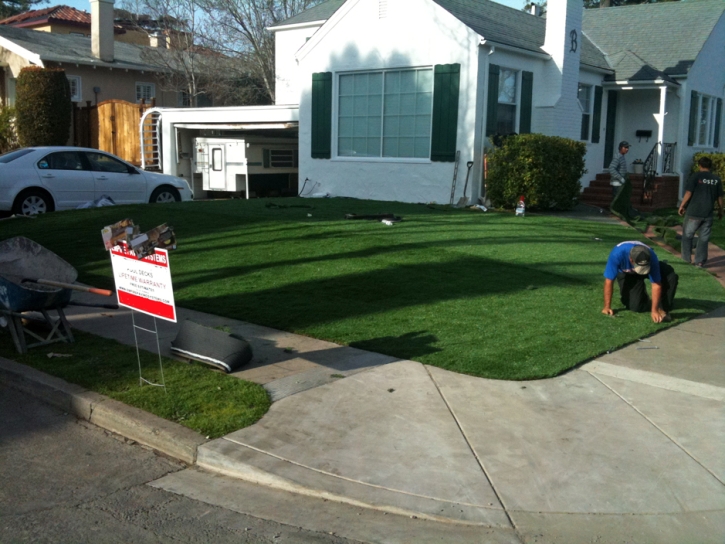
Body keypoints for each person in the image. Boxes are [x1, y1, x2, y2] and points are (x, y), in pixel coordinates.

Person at [602, 241, 678, 323]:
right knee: (636, 307)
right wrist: (607, 307)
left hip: (649, 267)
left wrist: (654, 310)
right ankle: (645, 299)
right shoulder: (617, 255)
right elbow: (609, 281)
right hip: (628, 274)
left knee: (671, 276)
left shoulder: (652, 257)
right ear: (631, 260)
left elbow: (656, 284)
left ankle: (663, 307)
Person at [678, 156, 724, 267]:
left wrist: (682, 205)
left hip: (694, 212)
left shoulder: (695, 177)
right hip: (708, 214)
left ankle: (686, 259)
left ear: (699, 165)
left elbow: (689, 193)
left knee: (688, 236)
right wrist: (720, 210)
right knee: (704, 238)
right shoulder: (716, 179)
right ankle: (699, 261)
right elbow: (720, 197)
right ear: (710, 166)